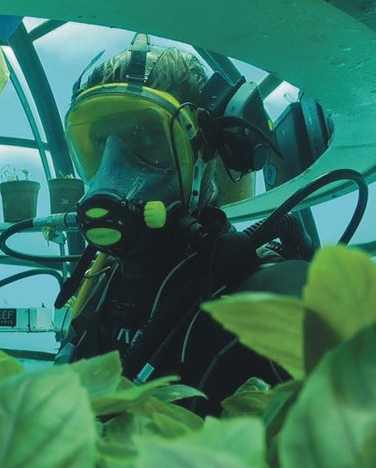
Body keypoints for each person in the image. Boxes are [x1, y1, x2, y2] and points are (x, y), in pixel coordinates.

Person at [56, 34, 310, 416]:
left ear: (204, 155)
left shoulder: (272, 296)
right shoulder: (99, 284)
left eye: (146, 138)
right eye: (99, 143)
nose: (112, 172)